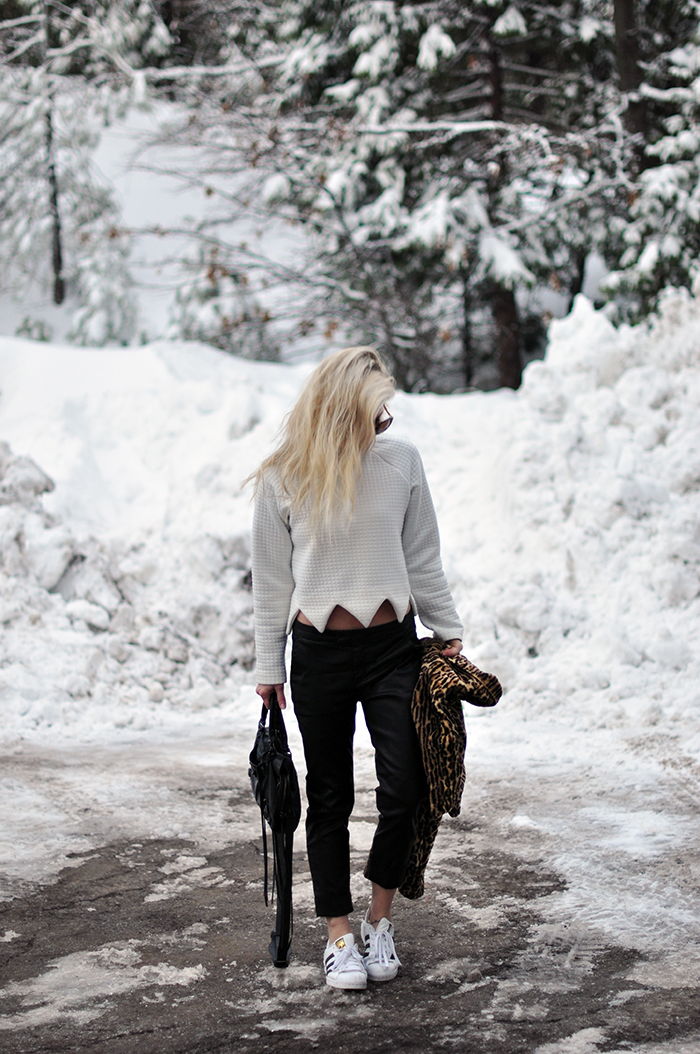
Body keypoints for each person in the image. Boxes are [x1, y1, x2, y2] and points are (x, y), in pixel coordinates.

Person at [248, 346, 463, 990]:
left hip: (393, 649)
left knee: (407, 787)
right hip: (318, 653)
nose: (384, 421)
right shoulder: (285, 475)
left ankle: (378, 919)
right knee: (330, 798)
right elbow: (270, 583)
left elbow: (423, 556)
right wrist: (270, 665)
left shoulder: (401, 463)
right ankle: (339, 936)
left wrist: (446, 629)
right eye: (374, 409)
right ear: (342, 407)